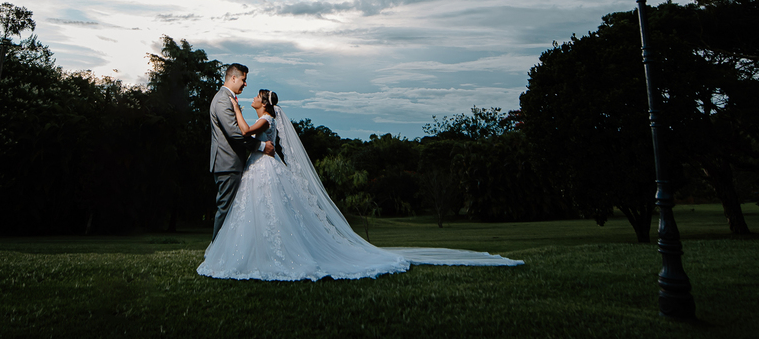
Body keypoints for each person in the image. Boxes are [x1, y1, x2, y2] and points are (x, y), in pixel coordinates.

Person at [198, 87, 523, 281]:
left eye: (256, 96)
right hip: (262, 167)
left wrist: (237, 112)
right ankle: (256, 253)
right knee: (257, 213)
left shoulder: (264, 118)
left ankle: (268, 256)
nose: (252, 97)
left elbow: (244, 134)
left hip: (264, 168)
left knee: (267, 213)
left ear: (265, 105)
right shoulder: (267, 118)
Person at [208, 64, 274, 240]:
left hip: (231, 163)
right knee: (226, 209)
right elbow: (234, 132)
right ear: (233, 78)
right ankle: (214, 253)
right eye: (244, 80)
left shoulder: (228, 98)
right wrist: (261, 146)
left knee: (232, 211)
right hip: (227, 163)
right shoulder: (223, 99)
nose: (245, 84)